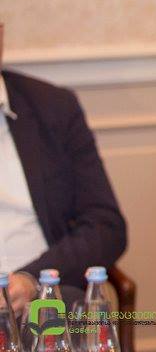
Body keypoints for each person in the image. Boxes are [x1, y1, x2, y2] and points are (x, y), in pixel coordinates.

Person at [0, 23, 128, 313]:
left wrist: (31, 280)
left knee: (70, 309)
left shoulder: (53, 107)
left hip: (41, 304)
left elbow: (105, 227)